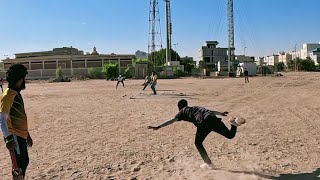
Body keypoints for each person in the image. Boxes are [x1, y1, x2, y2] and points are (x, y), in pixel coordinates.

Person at [148, 99, 245, 169]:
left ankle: (209, 164)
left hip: (204, 123)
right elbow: (210, 111)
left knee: (198, 143)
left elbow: (171, 121)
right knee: (230, 135)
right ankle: (234, 124)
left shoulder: (182, 112)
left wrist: (158, 126)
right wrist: (221, 113)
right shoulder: (195, 107)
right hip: (213, 118)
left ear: (179, 107)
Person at [0, 64, 33, 178]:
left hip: (21, 136)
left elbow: (19, 116)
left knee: (25, 161)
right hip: (14, 137)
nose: (24, 81)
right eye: (23, 78)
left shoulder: (16, 94)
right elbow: (2, 119)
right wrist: (8, 139)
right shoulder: (8, 96)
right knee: (18, 166)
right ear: (19, 80)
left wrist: (27, 134)